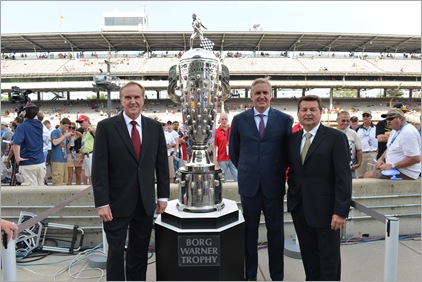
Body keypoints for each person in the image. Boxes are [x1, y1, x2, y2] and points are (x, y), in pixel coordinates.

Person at [92, 81, 169, 281]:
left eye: (137, 97)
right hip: (115, 204)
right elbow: (99, 169)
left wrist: (163, 197)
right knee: (115, 253)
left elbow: (161, 165)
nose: (133, 101)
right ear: (121, 100)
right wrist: (102, 203)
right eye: (128, 97)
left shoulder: (154, 127)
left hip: (144, 203)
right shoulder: (106, 127)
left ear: (143, 100)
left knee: (139, 254)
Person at [229, 77, 292, 281]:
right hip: (249, 187)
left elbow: (287, 152)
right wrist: (249, 170)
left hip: (274, 186)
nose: (261, 96)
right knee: (249, 235)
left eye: (265, 92)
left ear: (271, 95)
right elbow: (234, 152)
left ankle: (277, 276)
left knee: (276, 235)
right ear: (251, 96)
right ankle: (250, 275)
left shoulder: (284, 120)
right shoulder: (239, 120)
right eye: (257, 93)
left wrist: (273, 170)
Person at [287, 95, 352, 281]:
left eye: (313, 109)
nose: (308, 113)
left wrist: (340, 211)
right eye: (304, 110)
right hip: (300, 209)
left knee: (329, 260)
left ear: (321, 112)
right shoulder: (292, 139)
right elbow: (294, 171)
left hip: (327, 213)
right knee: (309, 257)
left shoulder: (336, 138)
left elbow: (343, 177)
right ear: (298, 114)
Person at [365, 108, 421, 180]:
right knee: (368, 174)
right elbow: (389, 147)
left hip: (405, 172)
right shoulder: (394, 131)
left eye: (391, 118)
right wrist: (381, 159)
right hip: (396, 169)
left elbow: (415, 158)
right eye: (387, 119)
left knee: (368, 176)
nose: (388, 121)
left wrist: (392, 166)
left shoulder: (408, 132)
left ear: (400, 118)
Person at [12, 103, 46, 186]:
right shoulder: (39, 125)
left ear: (23, 114)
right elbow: (36, 118)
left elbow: (16, 143)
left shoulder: (21, 127)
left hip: (27, 163)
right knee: (40, 191)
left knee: (29, 193)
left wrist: (17, 158)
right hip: (40, 162)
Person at [336, 111, 362, 178]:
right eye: (343, 120)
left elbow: (359, 149)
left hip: (350, 167)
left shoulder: (353, 133)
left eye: (348, 121)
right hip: (335, 167)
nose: (345, 123)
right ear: (337, 120)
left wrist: (358, 163)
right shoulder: (331, 133)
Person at [214, 113, 238, 181]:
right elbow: (215, 146)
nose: (224, 121)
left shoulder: (233, 130)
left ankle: (238, 191)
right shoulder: (217, 131)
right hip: (222, 158)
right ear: (219, 120)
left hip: (232, 157)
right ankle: (225, 191)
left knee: (237, 175)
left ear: (228, 120)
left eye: (225, 119)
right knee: (223, 178)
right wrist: (215, 160)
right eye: (222, 119)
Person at [355, 110, 378, 178]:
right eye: (364, 116)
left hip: (372, 153)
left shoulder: (376, 128)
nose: (365, 117)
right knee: (360, 174)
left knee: (371, 174)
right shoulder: (358, 129)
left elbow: (379, 141)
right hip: (361, 154)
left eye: (367, 115)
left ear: (371, 117)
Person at [50, 118, 72, 186]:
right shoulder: (55, 132)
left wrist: (70, 140)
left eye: (68, 126)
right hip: (57, 159)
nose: (67, 128)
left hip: (64, 159)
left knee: (64, 181)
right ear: (61, 124)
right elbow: (54, 142)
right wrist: (65, 136)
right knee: (57, 181)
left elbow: (67, 148)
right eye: (66, 126)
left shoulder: (63, 133)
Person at [76, 115, 96, 185]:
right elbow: (84, 145)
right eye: (79, 122)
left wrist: (91, 129)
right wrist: (82, 156)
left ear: (87, 121)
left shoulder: (92, 127)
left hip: (92, 154)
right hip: (86, 154)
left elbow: (97, 131)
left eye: (82, 122)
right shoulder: (84, 133)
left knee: (92, 174)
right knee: (88, 174)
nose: (80, 124)